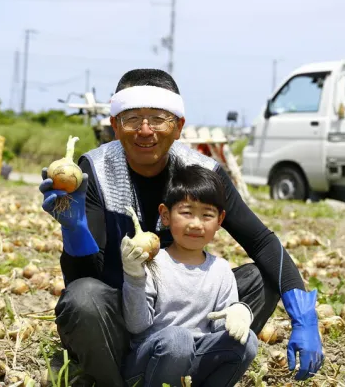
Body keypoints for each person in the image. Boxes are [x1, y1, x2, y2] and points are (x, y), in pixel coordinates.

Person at [39, 68, 324, 386]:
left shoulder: (203, 172)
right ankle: (115, 379)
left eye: (158, 118)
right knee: (83, 299)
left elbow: (260, 241)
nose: (145, 131)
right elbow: (85, 280)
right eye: (132, 118)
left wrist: (304, 316)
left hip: (183, 319)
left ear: (179, 127)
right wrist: (75, 230)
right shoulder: (94, 169)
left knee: (261, 279)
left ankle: (199, 368)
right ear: (116, 126)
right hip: (122, 319)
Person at [121, 162, 258, 387]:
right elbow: (136, 326)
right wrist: (134, 276)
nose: (196, 224)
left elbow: (220, 332)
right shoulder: (152, 263)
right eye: (186, 213)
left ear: (220, 221)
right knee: (179, 340)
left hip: (194, 365)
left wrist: (240, 312)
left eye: (207, 215)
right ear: (165, 215)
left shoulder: (221, 270)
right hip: (147, 365)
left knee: (248, 342)